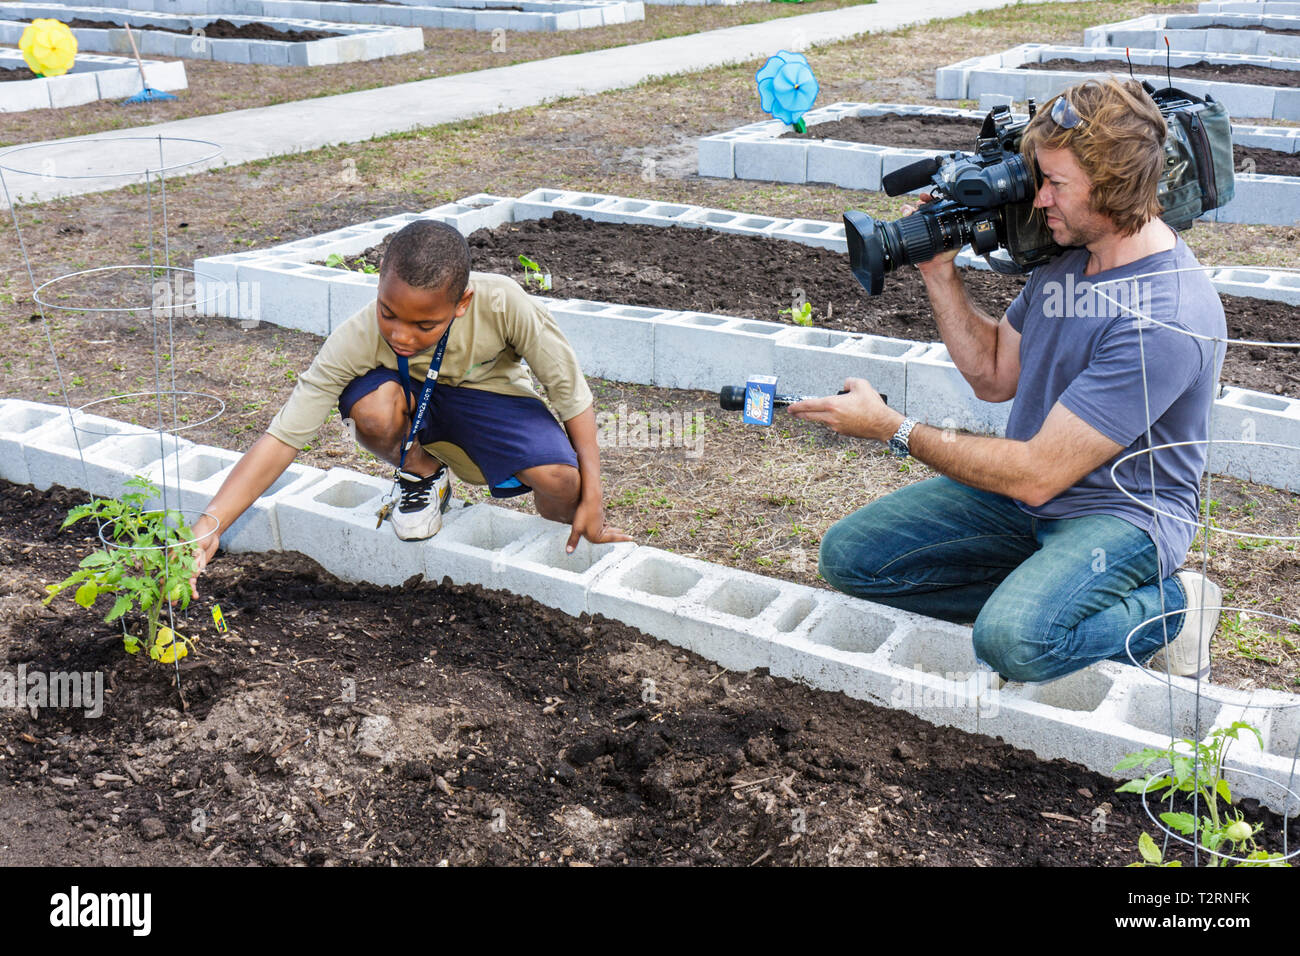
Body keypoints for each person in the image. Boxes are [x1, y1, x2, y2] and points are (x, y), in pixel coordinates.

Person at [789, 76, 1227, 683]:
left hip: (1120, 514)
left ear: (1114, 185)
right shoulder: (1070, 259)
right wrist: (938, 271)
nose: (1038, 199)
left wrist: (895, 429)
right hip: (1029, 499)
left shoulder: (1167, 315)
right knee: (852, 559)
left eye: (1054, 183)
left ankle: (1175, 609)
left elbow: (1039, 470)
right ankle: (1045, 588)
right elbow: (994, 374)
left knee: (1016, 642)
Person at [189, 219, 631, 593]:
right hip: (413, 402)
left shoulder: (503, 302)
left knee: (561, 479)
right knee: (373, 410)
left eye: (424, 324)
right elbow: (284, 436)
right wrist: (212, 523)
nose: (401, 335)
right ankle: (422, 476)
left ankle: (560, 548)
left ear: (462, 303)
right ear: (380, 281)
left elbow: (571, 394)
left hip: (491, 400)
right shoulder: (357, 335)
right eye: (388, 313)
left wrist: (592, 494)